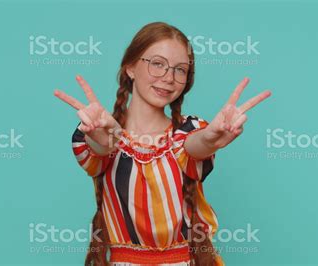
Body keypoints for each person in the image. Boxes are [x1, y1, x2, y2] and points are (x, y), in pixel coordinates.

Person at [54, 22, 271, 266]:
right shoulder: (102, 134)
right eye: (157, 64)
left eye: (180, 70)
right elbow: (103, 147)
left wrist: (211, 138)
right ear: (131, 67)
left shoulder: (188, 132)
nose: (169, 78)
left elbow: (194, 146)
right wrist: (107, 135)